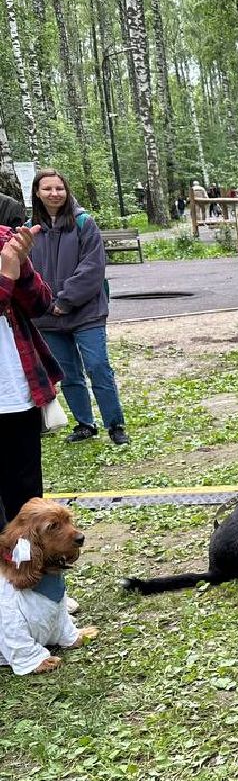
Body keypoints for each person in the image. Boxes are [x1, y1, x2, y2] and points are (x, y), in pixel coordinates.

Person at [28, 168, 130, 445]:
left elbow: (92, 268)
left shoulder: (84, 224)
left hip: (86, 312)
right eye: (47, 189)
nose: (54, 194)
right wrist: (44, 302)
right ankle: (85, 423)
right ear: (37, 192)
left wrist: (65, 300)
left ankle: (115, 424)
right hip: (48, 316)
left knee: (97, 366)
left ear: (66, 190)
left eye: (59, 188)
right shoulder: (29, 230)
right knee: (68, 373)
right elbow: (26, 272)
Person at [0, 219, 61, 528]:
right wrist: (7, 273)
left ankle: (26, 570)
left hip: (15, 394)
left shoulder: (4, 239)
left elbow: (40, 303)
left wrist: (22, 267)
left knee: (26, 501)